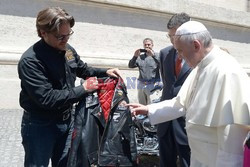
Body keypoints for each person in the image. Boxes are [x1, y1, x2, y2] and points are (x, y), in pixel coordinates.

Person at [127, 21, 250, 167]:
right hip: (200, 158)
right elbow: (181, 103)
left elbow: (231, 139)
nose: (179, 56)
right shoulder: (201, 66)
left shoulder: (226, 70)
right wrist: (148, 109)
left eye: (180, 50)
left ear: (196, 45)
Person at [18, 7, 121, 167]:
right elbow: (47, 98)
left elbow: (82, 68)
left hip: (66, 121)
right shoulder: (31, 61)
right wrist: (83, 89)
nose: (66, 40)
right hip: (40, 126)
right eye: (60, 36)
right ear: (43, 32)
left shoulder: (67, 50)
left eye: (68, 34)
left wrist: (105, 71)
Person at [158, 13, 191, 167]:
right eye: (169, 36)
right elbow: (167, 85)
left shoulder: (198, 55)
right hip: (165, 122)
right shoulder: (164, 54)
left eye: (175, 35)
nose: (172, 40)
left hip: (187, 122)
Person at [128, 38, 161, 105]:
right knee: (142, 104)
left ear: (152, 45)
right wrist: (135, 56)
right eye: (145, 45)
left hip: (153, 84)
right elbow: (131, 66)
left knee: (152, 105)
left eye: (149, 44)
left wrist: (153, 55)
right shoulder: (140, 57)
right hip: (141, 85)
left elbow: (162, 65)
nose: (147, 46)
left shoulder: (157, 55)